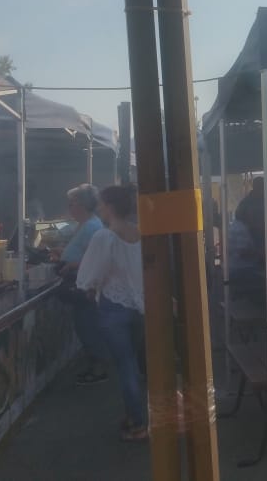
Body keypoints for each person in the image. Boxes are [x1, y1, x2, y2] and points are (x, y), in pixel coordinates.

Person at [77, 184, 146, 442]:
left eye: (102, 204)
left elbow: (90, 275)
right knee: (131, 364)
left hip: (113, 308)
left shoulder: (104, 237)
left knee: (125, 366)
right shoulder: (140, 233)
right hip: (139, 307)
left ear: (110, 207)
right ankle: (133, 416)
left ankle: (138, 422)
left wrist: (87, 288)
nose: (100, 209)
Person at [53, 184, 110, 386]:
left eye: (72, 203)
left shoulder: (92, 227)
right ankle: (94, 366)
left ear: (83, 205)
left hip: (85, 285)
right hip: (81, 282)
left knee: (88, 327)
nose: (69, 208)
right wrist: (64, 254)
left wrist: (70, 265)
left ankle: (99, 369)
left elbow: (93, 259)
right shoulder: (86, 225)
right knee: (84, 326)